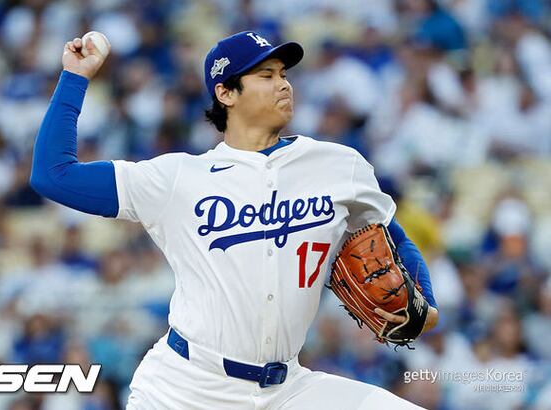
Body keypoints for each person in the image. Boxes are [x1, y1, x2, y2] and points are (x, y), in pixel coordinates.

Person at [30, 31, 439, 409]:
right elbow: (53, 175)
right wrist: (75, 77)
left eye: (284, 74)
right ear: (225, 92)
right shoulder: (177, 178)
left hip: (287, 389)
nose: (284, 84)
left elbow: (392, 237)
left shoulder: (338, 165)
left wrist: (427, 302)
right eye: (266, 75)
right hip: (184, 388)